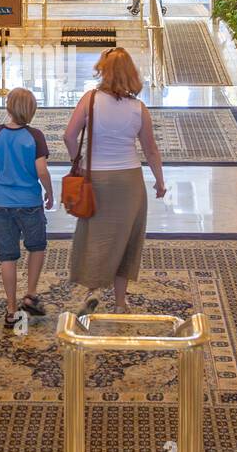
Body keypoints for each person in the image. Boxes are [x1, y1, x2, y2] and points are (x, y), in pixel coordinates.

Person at [63, 48, 167, 315]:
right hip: (129, 181)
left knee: (95, 236)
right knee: (127, 239)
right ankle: (121, 303)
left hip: (95, 176)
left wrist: (79, 161)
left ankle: (92, 292)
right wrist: (159, 181)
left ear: (103, 71)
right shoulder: (138, 109)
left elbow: (69, 136)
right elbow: (151, 149)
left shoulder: (90, 100)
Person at [0, 87, 53, 327]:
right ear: (32, 111)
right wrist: (49, 191)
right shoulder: (35, 136)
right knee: (37, 246)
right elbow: (41, 170)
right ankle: (30, 294)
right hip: (30, 202)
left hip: (2, 204)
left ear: (8, 108)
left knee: (7, 257)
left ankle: (11, 310)